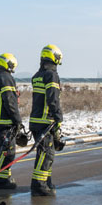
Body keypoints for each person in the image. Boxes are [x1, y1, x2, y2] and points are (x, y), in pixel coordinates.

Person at [29, 44, 63, 196]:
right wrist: (58, 116)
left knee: (45, 153)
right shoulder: (51, 75)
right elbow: (52, 98)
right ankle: (39, 185)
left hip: (36, 120)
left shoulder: (38, 75)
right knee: (46, 154)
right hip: (45, 120)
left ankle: (46, 182)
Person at [0, 53, 24, 190]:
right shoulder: (6, 78)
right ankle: (1, 181)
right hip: (3, 123)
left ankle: (5, 178)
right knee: (8, 152)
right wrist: (17, 120)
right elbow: (10, 101)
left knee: (2, 152)